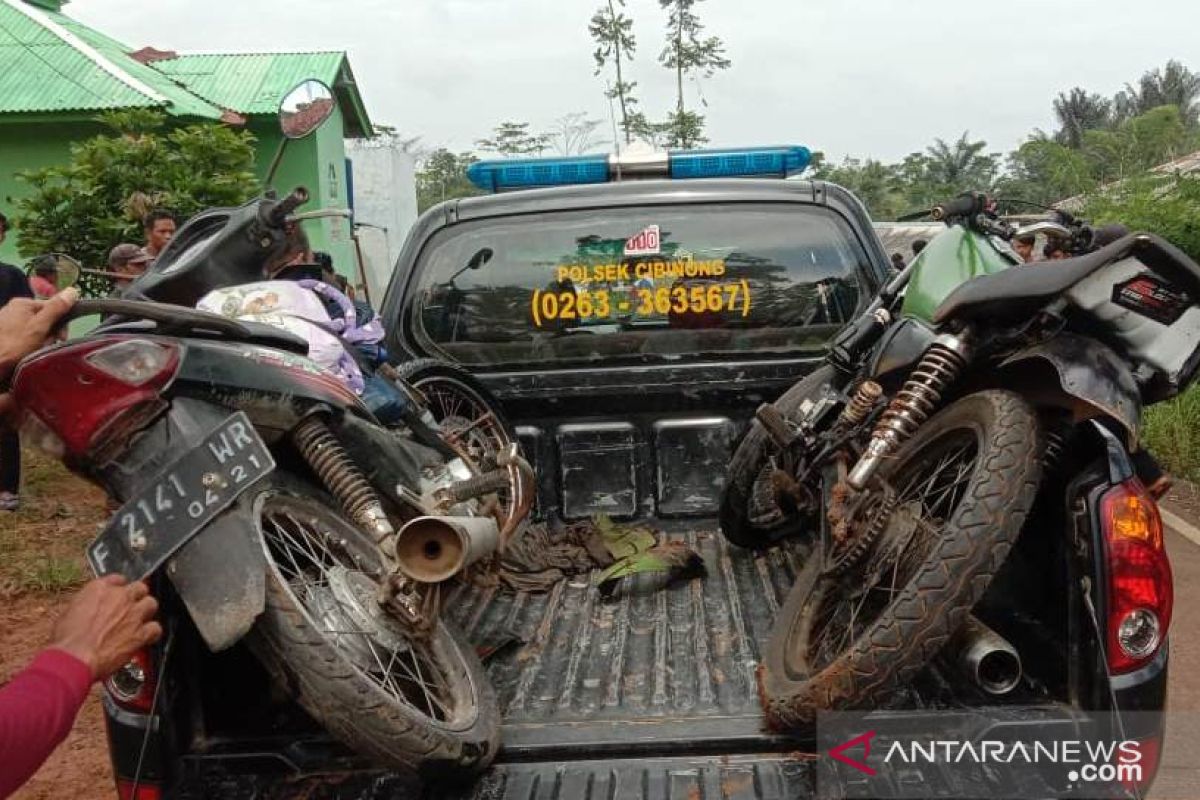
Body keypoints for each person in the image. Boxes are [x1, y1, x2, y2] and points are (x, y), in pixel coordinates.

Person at [0, 211, 33, 512]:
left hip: (5, 359)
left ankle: (7, 489)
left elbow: (30, 318)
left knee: (6, 424)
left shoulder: (12, 276)